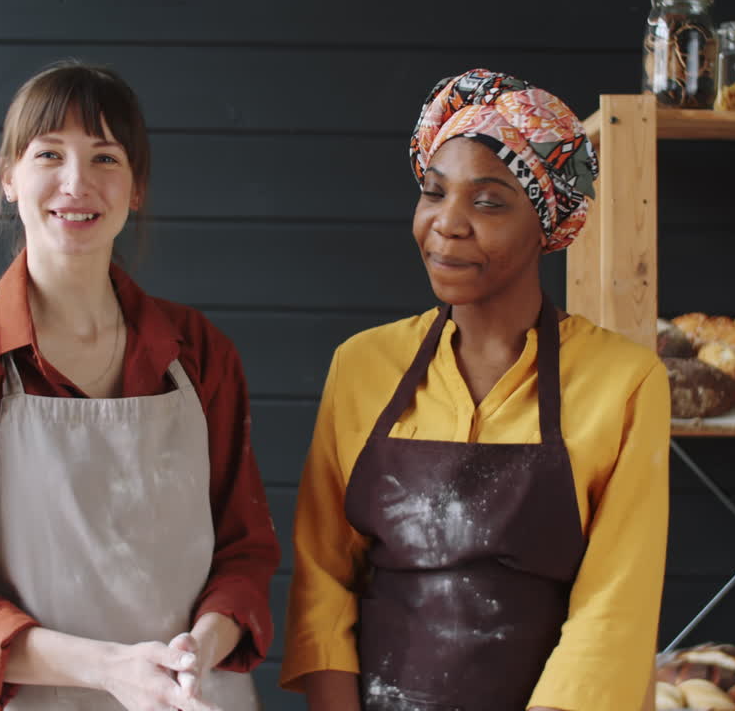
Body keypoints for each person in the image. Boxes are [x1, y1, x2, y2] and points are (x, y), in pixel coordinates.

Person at [0, 61, 279, 711]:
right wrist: (111, 669)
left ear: (136, 189)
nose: (77, 183)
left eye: (105, 157)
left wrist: (199, 650)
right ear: (10, 177)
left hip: (196, 697)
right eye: (49, 154)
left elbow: (244, 552)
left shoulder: (201, 353)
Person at [279, 69, 670, 711]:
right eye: (434, 193)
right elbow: (323, 578)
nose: (448, 224)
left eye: (488, 202)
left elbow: (613, 610)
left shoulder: (624, 381)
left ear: (549, 224)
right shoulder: (363, 365)